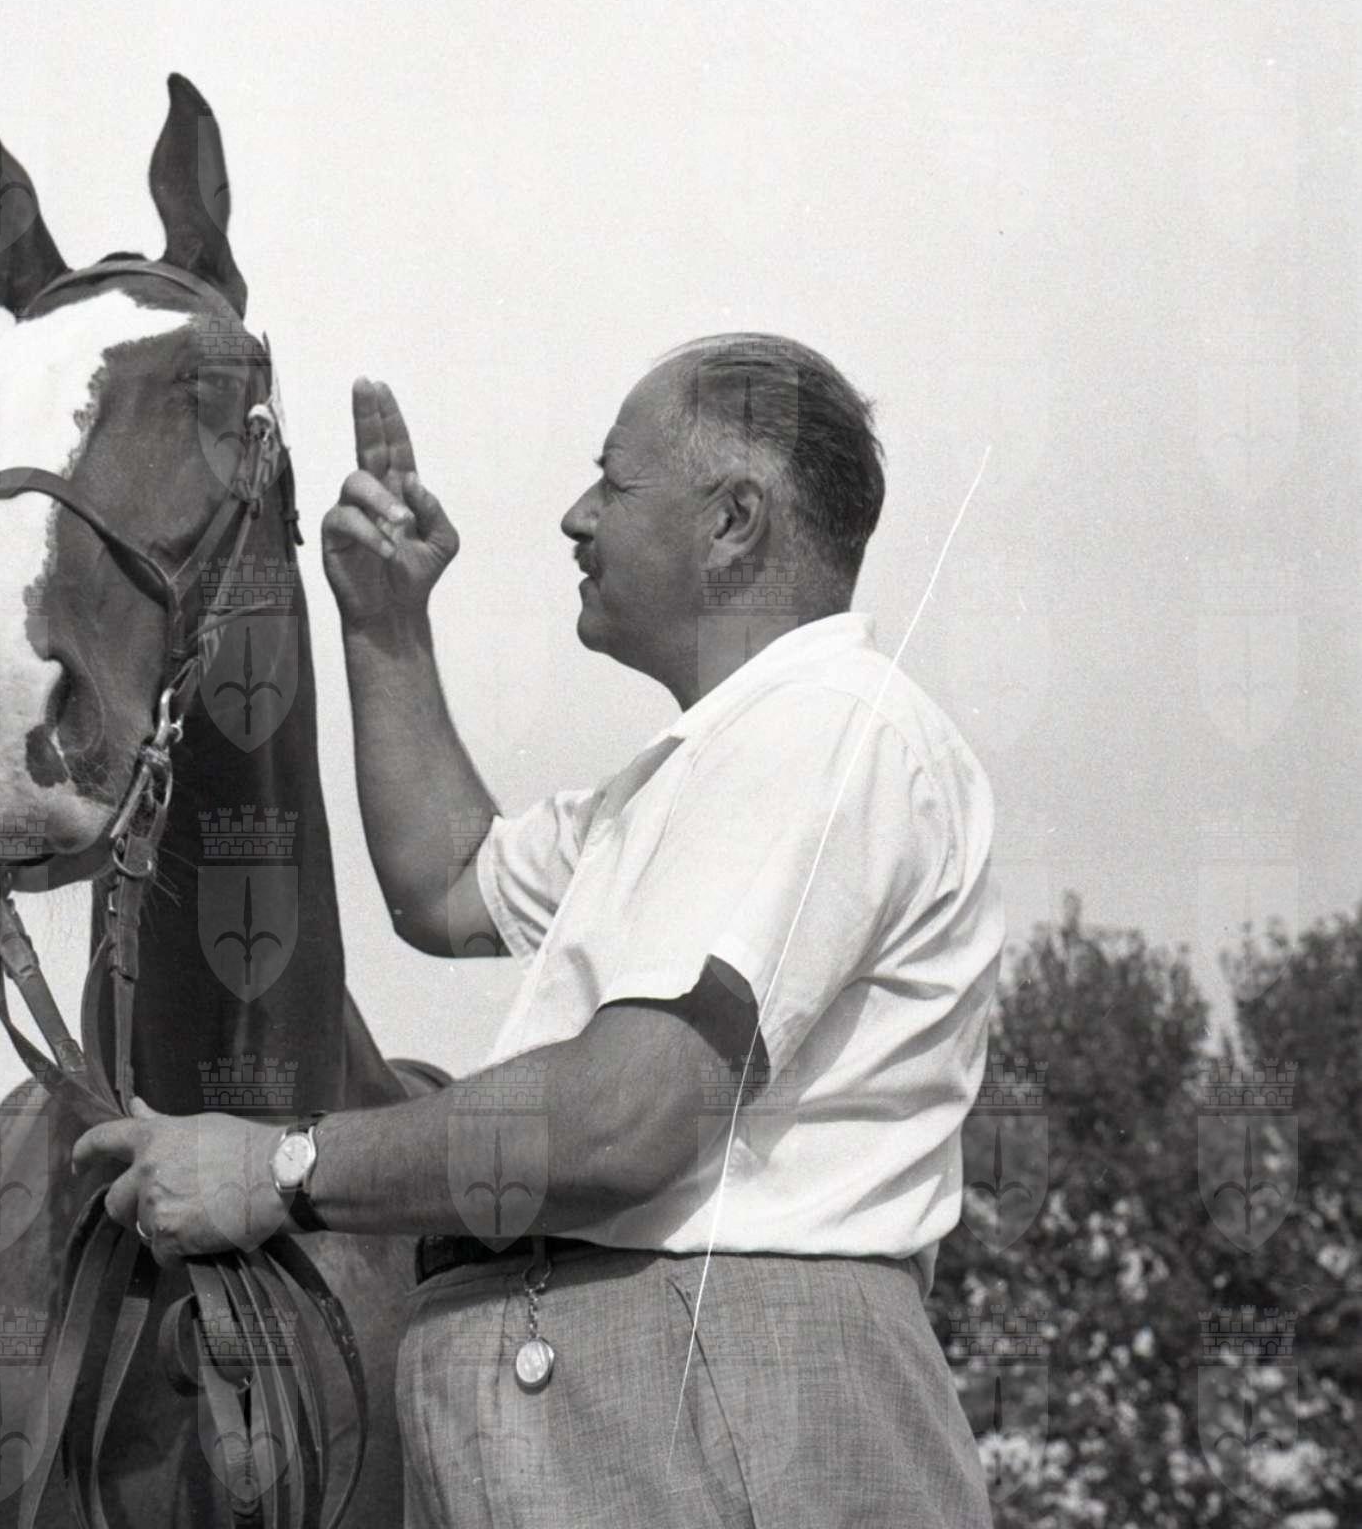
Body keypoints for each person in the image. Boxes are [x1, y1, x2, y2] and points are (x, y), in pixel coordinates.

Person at [80, 333, 1002, 1527]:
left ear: (734, 522)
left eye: (613, 481)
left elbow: (626, 1117)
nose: (577, 515)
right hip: (647, 1413)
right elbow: (449, 879)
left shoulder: (826, 727)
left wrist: (276, 1169)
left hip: (709, 1404)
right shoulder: (701, 771)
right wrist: (385, 625)